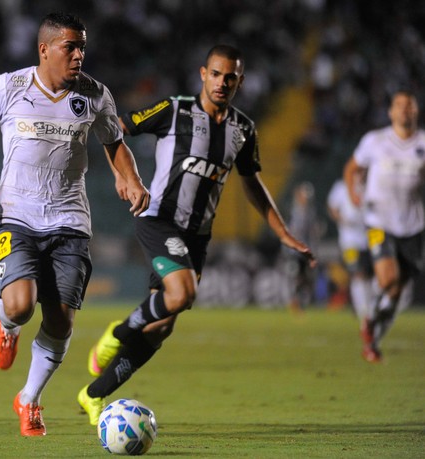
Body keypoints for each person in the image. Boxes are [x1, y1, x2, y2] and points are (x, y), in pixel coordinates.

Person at [76, 44, 316, 425]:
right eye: (216, 74)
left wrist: (283, 231)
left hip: (197, 237)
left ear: (240, 81)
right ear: (204, 73)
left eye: (231, 77)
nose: (223, 82)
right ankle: (118, 331)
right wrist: (125, 177)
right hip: (159, 219)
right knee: (182, 294)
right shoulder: (174, 110)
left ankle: (93, 394)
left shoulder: (242, 129)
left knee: (162, 326)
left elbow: (252, 184)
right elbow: (115, 129)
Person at [0, 13, 149, 436]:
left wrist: (130, 179)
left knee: (61, 321)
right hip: (16, 217)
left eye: (82, 47)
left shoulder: (95, 95)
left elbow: (114, 144)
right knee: (21, 306)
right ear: (44, 49)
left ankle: (29, 400)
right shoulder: (9, 87)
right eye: (70, 47)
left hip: (71, 221)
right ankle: (7, 326)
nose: (79, 55)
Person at [343, 90, 425, 363]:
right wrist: (354, 194)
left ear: (416, 112)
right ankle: (369, 318)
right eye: (399, 105)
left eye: (409, 106)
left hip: (413, 227)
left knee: (397, 290)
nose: (404, 110)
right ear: (391, 112)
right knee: (388, 279)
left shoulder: (423, 142)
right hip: (379, 222)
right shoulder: (375, 141)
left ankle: (373, 339)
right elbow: (351, 168)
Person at [326, 176, 375, 323]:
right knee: (357, 273)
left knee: (368, 275)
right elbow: (332, 208)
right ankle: (362, 310)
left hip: (368, 239)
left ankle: (369, 308)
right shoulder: (341, 186)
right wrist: (343, 219)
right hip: (349, 240)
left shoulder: (370, 185)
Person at [285, 181, 322, 312]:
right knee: (296, 276)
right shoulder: (294, 211)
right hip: (295, 250)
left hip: (305, 249)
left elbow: (312, 232)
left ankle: (300, 301)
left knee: (306, 277)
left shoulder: (309, 212)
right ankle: (294, 301)